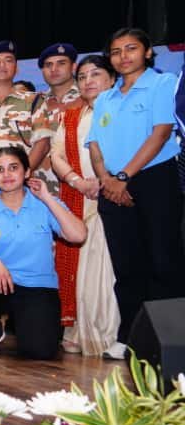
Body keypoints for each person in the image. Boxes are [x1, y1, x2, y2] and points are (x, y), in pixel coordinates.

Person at [85, 28, 185, 360]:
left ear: (148, 52)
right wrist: (107, 178)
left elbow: (160, 133)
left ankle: (165, 341)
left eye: (131, 49)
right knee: (127, 268)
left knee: (163, 263)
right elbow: (94, 144)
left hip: (154, 180)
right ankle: (129, 336)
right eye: (116, 51)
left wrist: (125, 176)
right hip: (111, 186)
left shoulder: (163, 83)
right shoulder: (105, 98)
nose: (123, 56)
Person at [0, 146, 87, 359]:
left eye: (13, 168)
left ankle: (21, 325)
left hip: (36, 286)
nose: (6, 175)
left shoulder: (44, 203)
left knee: (39, 351)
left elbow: (78, 236)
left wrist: (47, 198)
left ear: (27, 172)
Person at [49, 54, 119, 356]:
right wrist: (77, 181)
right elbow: (56, 155)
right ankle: (79, 330)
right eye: (82, 76)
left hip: (116, 196)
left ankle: (110, 334)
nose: (88, 81)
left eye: (96, 74)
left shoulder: (122, 112)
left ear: (112, 79)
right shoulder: (72, 116)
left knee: (108, 270)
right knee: (80, 268)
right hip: (79, 198)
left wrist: (107, 181)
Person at [0, 41, 53, 202]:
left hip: (24, 190)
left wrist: (19, 177)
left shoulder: (34, 101)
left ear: (16, 68)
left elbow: (42, 144)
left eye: (8, 60)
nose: (2, 65)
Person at [34, 43, 80, 196]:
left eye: (61, 63)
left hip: (82, 184)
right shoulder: (35, 103)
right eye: (48, 65)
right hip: (44, 189)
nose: (54, 69)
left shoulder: (88, 96)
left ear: (73, 67)